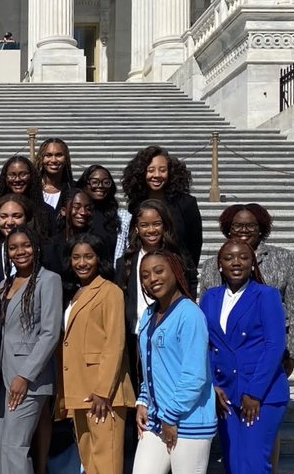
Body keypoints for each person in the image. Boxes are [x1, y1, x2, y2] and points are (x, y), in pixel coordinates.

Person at [199, 202, 294, 474]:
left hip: (270, 353)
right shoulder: (213, 264)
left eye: (250, 226)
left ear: (262, 228)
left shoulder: (283, 259)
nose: (244, 231)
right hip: (229, 359)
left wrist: (293, 353)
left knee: (262, 429)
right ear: (227, 229)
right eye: (237, 226)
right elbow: (206, 312)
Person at [132, 249, 216, 474]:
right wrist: (143, 400)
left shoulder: (189, 315)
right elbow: (150, 367)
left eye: (159, 271)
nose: (153, 279)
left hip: (188, 421)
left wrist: (171, 416)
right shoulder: (150, 316)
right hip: (157, 418)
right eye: (146, 275)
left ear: (176, 271)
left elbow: (194, 375)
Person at [201, 238, 289, 474]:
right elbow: (205, 345)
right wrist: (212, 385)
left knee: (253, 460)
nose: (235, 262)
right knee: (235, 462)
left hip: (260, 395)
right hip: (225, 393)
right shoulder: (209, 298)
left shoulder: (265, 295)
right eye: (228, 257)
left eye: (242, 257)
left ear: (253, 262)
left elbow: (274, 345)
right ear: (219, 264)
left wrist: (253, 391)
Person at [57, 234, 133, 474]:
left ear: (98, 259)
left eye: (88, 256)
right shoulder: (77, 293)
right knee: (92, 467)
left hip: (104, 395)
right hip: (79, 393)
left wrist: (103, 390)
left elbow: (115, 344)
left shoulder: (110, 292)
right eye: (76, 257)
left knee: (107, 466)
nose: (82, 262)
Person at [0, 226, 62, 474]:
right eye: (14, 247)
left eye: (25, 246)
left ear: (36, 247)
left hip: (28, 381)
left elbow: (50, 332)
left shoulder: (49, 280)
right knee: (1, 449)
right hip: (3, 379)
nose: (20, 252)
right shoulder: (6, 284)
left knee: (16, 451)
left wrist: (26, 375)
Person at [115, 199, 195, 388]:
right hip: (136, 336)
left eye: (156, 224)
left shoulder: (178, 256)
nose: (151, 230)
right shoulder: (125, 262)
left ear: (165, 225)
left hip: (170, 335)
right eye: (144, 225)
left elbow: (190, 285)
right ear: (136, 228)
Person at [120, 145, 203, 273]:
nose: (157, 175)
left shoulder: (186, 203)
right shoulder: (136, 204)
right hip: (145, 272)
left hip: (179, 273)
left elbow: (194, 244)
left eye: (162, 170)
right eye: (151, 170)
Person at [0, 156, 57, 237]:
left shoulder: (46, 211)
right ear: (5, 177)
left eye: (23, 174)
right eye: (12, 175)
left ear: (31, 176)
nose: (17, 179)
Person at [76, 164, 132, 262]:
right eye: (94, 182)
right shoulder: (77, 215)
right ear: (85, 185)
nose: (100, 186)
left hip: (111, 275)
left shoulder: (122, 218)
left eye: (106, 182)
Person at [37, 137, 74, 210]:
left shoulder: (74, 189)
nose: (53, 160)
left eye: (59, 155)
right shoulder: (32, 188)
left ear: (66, 158)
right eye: (48, 155)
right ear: (41, 158)